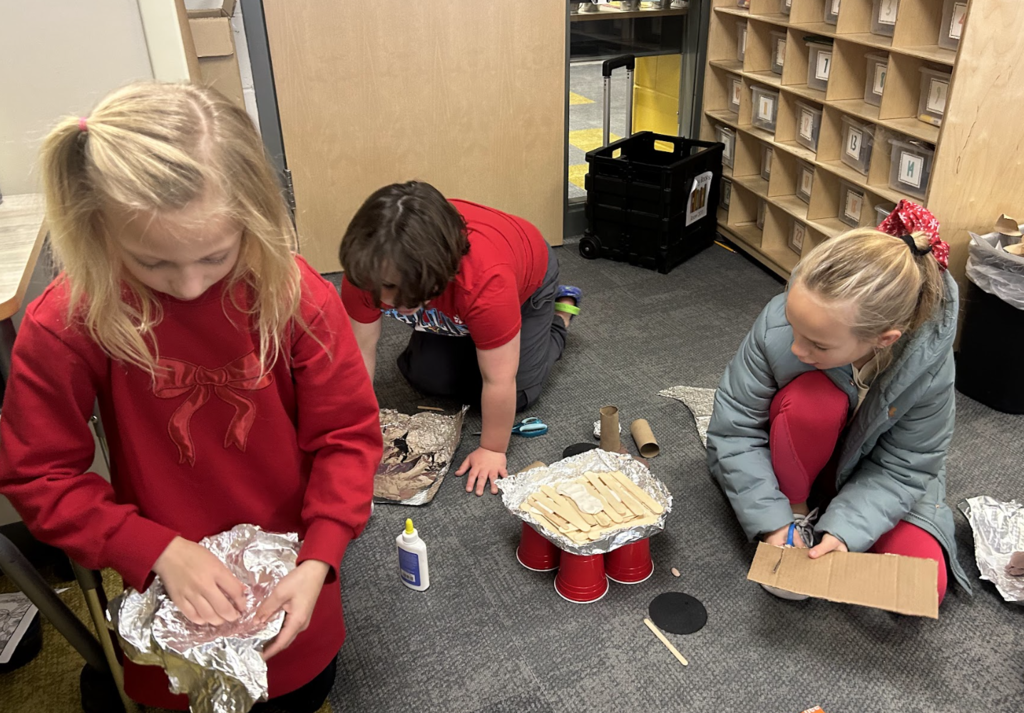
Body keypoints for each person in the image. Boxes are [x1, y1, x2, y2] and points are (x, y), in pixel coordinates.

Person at [0, 83, 383, 712]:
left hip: (294, 570)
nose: (188, 286)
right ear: (99, 229)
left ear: (254, 218)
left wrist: (320, 557)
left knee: (299, 690)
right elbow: (38, 475)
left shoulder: (295, 297)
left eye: (215, 255)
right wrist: (152, 549)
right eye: (152, 264)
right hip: (163, 583)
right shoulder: (70, 319)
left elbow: (348, 438)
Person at [707, 204, 969, 604]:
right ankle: (798, 510)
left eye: (818, 344)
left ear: (884, 338)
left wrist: (845, 532)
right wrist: (775, 524)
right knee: (814, 402)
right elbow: (734, 430)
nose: (797, 348)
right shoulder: (782, 319)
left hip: (871, 470)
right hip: (798, 453)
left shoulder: (929, 368)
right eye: (793, 325)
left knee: (924, 585)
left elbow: (905, 467)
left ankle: (830, 520)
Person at [339, 182, 580, 496]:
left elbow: (499, 379)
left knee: (519, 393)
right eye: (380, 288)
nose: (384, 301)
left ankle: (559, 315)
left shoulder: (486, 281)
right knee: (425, 378)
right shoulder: (365, 270)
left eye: (398, 291)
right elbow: (359, 353)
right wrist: (352, 428)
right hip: (461, 303)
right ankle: (480, 332)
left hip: (527, 284)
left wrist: (492, 449)